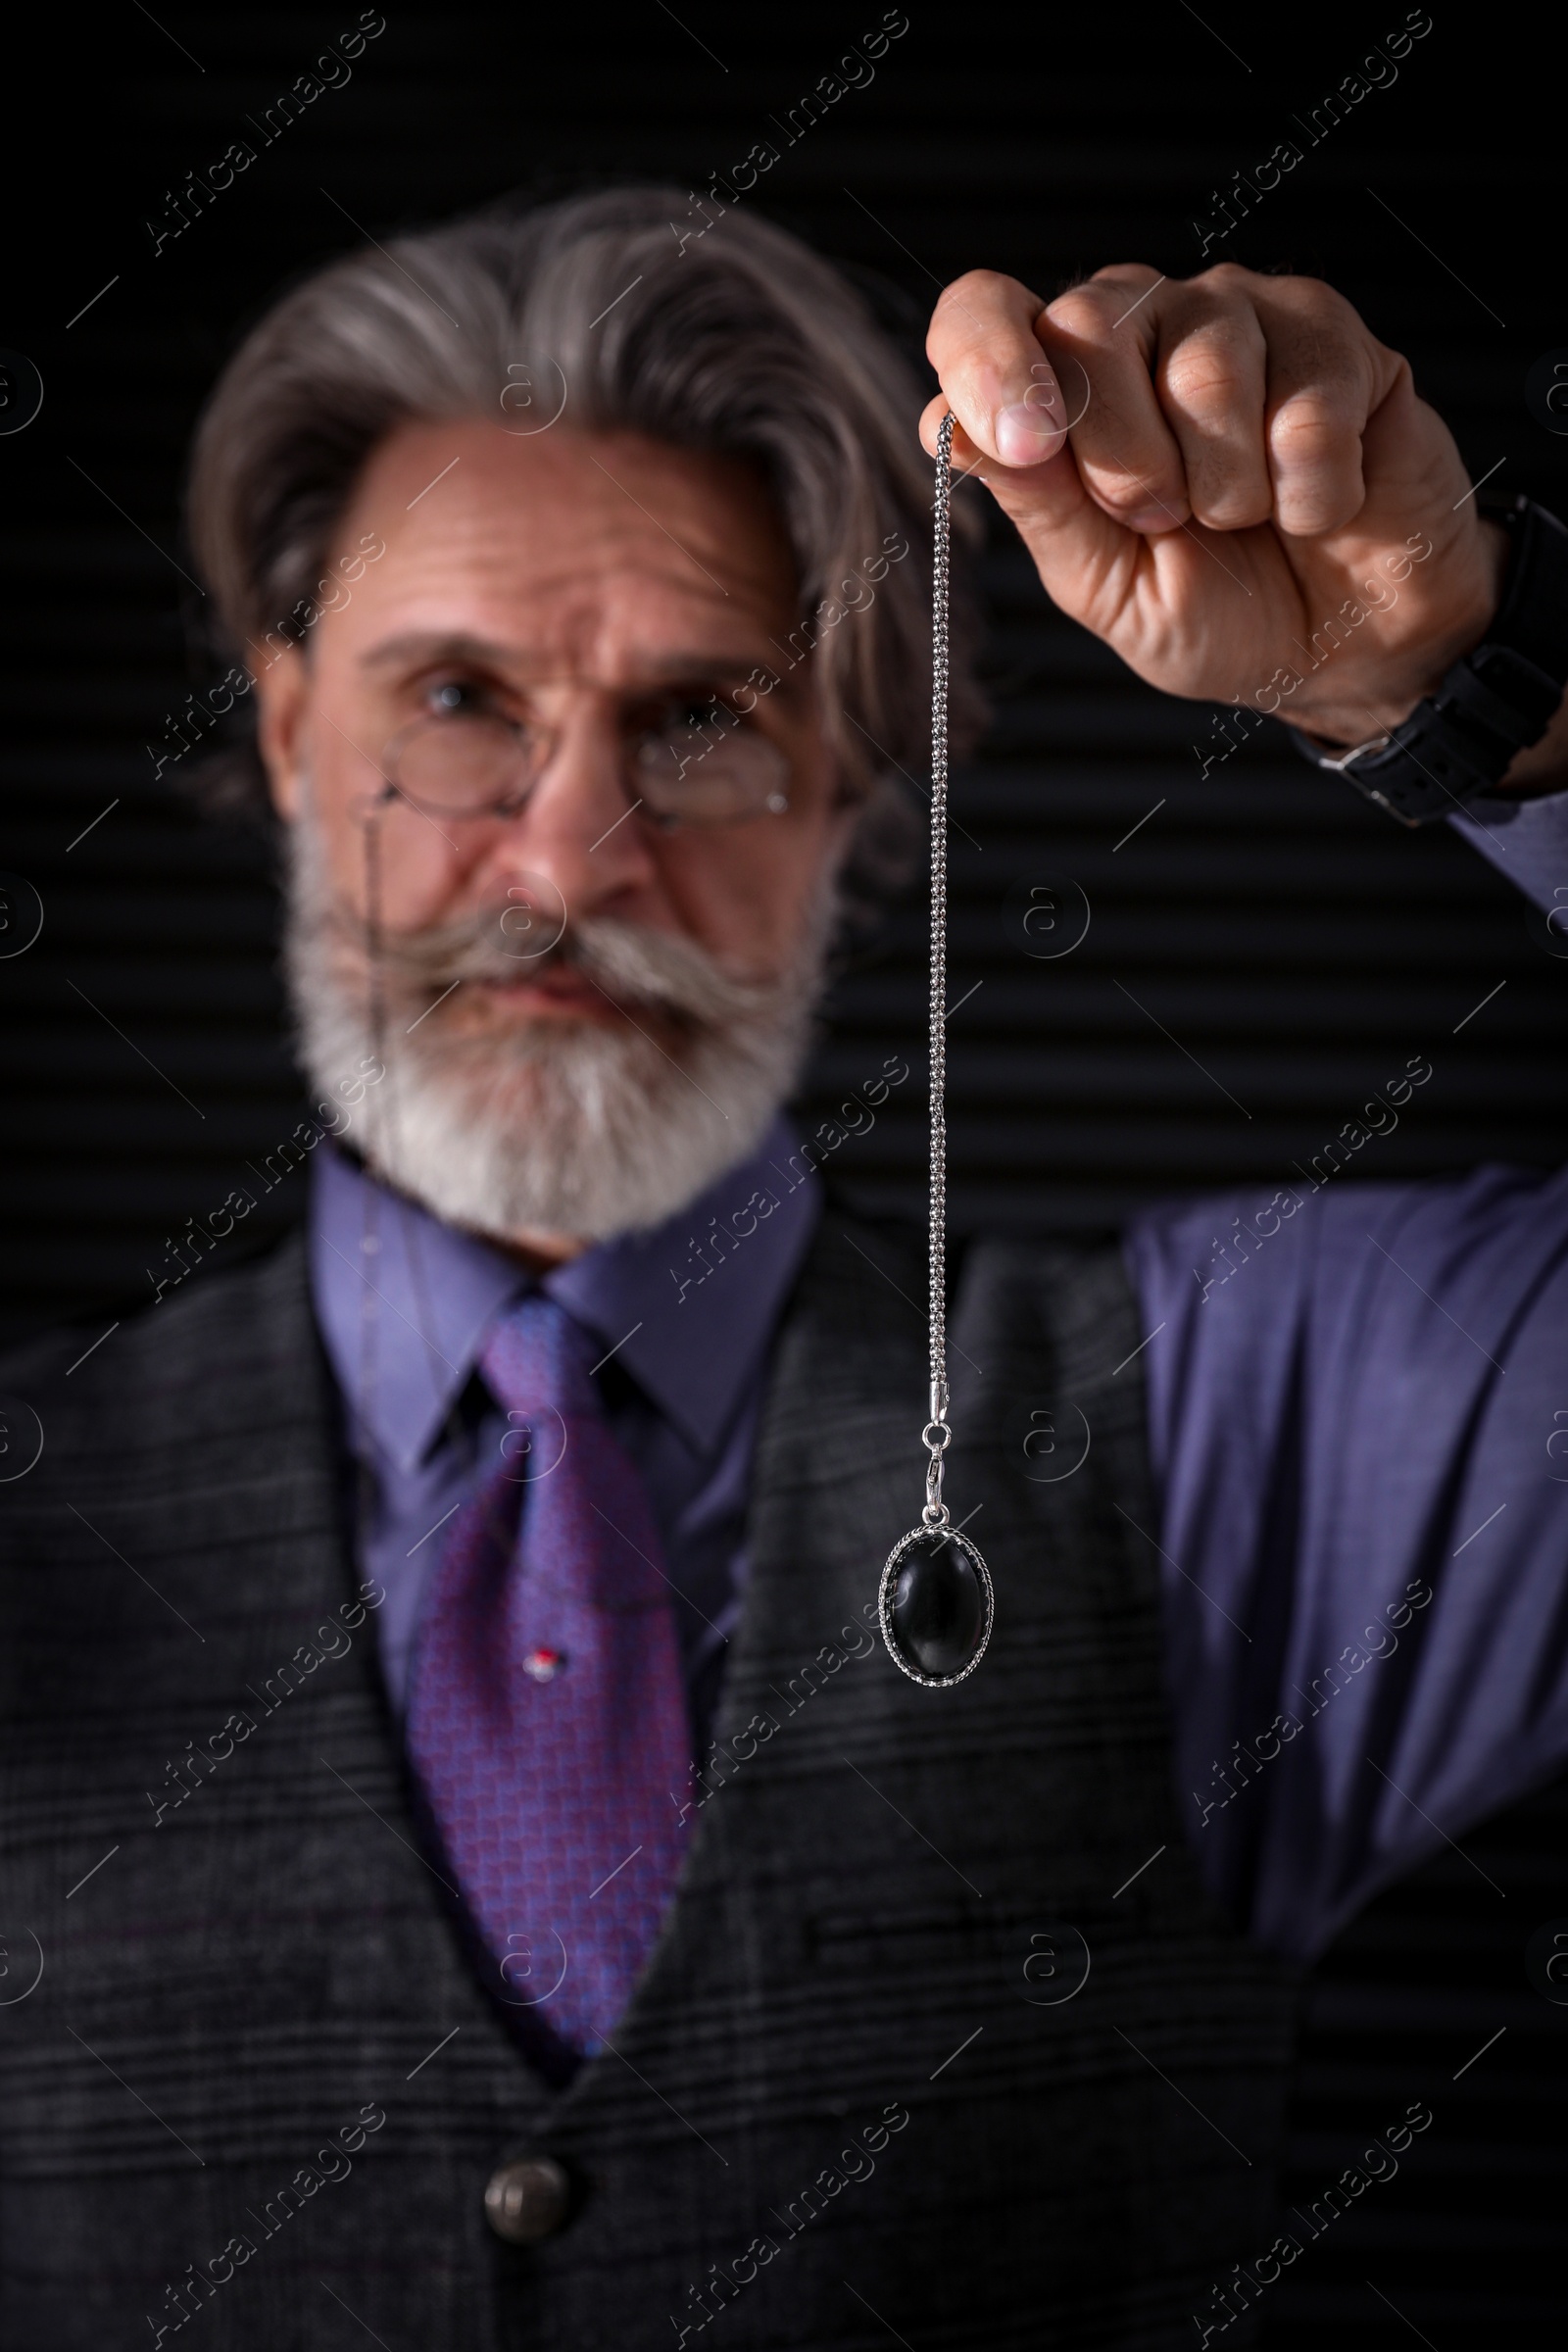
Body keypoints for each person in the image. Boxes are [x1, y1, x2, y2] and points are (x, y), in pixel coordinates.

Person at [2, 187, 1566, 2351]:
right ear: (288, 744)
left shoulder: (1242, 1443)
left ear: (851, 784)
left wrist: (1454, 698)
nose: (565, 858)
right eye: (457, 697)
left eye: (702, 719)